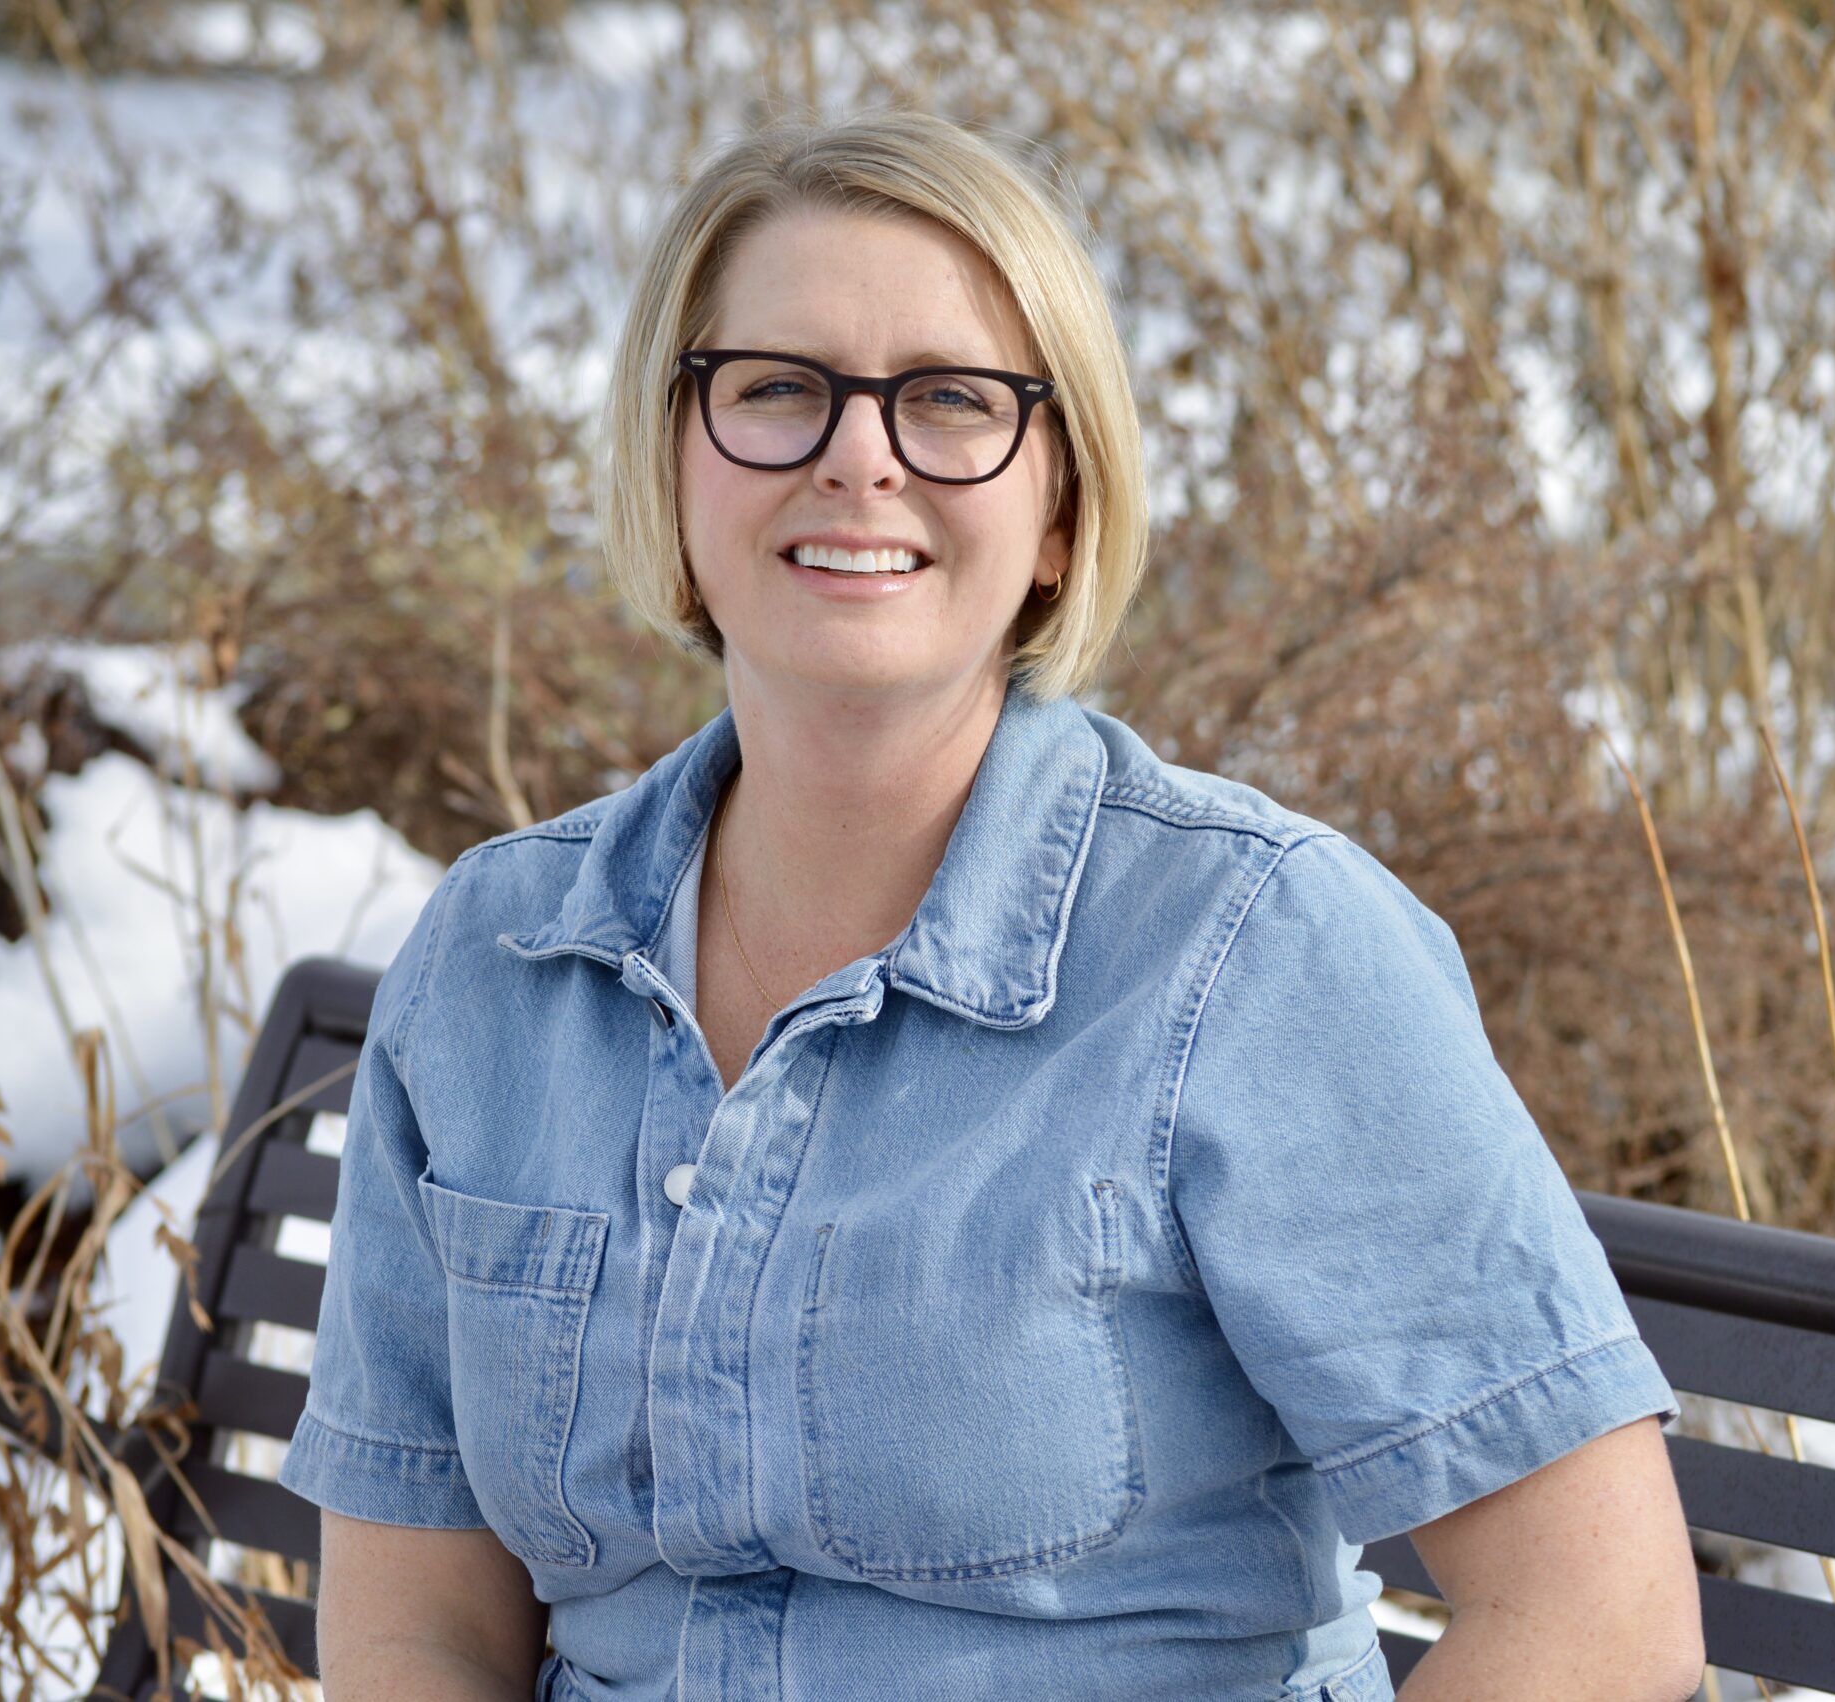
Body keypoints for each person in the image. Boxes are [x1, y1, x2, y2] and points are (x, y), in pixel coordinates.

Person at [278, 109, 1704, 1702]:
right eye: (775, 388)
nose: (859, 453)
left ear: (1062, 511)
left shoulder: (1252, 951)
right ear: (670, 462)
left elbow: (1602, 1626)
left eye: (953, 400)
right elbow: (421, 1629)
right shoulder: (496, 966)